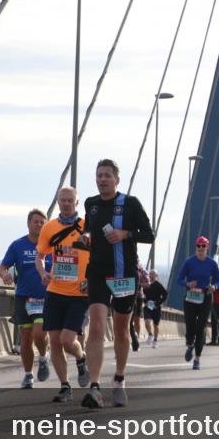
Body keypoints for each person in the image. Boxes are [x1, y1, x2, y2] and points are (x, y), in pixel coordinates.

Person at [81, 159, 155, 408]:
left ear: (117, 180)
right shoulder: (90, 204)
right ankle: (94, 387)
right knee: (97, 327)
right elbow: (89, 232)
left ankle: (120, 380)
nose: (102, 179)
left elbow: (149, 234)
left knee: (122, 331)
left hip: (124, 275)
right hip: (98, 274)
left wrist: (125, 234)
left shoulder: (130, 204)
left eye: (107, 176)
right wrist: (85, 238)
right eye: (99, 175)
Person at [35, 187, 91, 402]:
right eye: (62, 200)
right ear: (58, 202)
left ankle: (81, 357)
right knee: (55, 341)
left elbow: (98, 256)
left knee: (68, 340)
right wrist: (42, 273)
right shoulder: (49, 227)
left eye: (70, 200)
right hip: (55, 290)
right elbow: (39, 256)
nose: (66, 203)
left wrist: (92, 279)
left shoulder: (88, 226)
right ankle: (65, 386)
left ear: (77, 203)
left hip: (79, 293)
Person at [0, 208, 52, 389]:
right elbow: (3, 266)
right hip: (24, 297)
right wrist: (5, 275)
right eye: (35, 221)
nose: (38, 224)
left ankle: (43, 358)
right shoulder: (18, 245)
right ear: (28, 223)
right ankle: (28, 374)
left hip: (45, 297)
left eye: (42, 222)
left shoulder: (51, 245)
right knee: (26, 337)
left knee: (39, 333)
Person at [177, 236, 219, 370]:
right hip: (190, 297)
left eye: (203, 246)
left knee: (200, 328)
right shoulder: (189, 262)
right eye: (198, 246)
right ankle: (190, 345)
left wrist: (214, 287)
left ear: (207, 248)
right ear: (195, 247)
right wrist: (187, 283)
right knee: (190, 327)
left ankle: (197, 359)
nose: (201, 248)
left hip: (205, 297)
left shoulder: (212, 263)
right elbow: (179, 279)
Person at [142, 269, 168, 347]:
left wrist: (158, 303)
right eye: (150, 274)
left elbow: (165, 295)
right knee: (147, 322)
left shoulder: (158, 285)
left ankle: (155, 341)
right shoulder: (146, 285)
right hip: (148, 307)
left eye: (153, 274)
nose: (151, 275)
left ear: (156, 276)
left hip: (156, 307)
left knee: (155, 325)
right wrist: (144, 301)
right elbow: (143, 294)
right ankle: (150, 334)